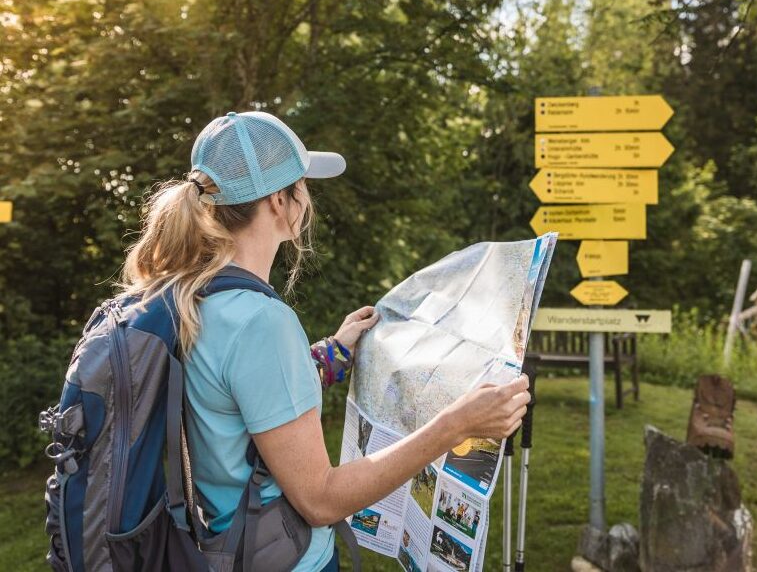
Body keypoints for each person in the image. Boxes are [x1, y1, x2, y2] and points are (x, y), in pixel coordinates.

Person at [113, 111, 530, 571]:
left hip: (217, 550)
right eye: (303, 184)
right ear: (278, 201)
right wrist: (456, 424)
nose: (307, 198)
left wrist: (335, 350)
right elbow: (320, 500)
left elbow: (239, 396)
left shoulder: (187, 295)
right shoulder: (260, 323)